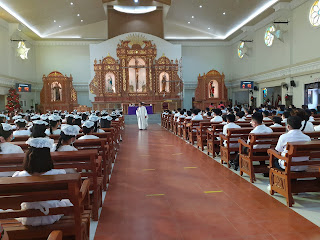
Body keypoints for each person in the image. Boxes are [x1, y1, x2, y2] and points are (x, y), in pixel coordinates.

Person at [12, 137, 72, 226]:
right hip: (51, 216)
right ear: (48, 157)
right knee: (66, 201)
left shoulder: (18, 176)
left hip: (29, 218)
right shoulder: (59, 174)